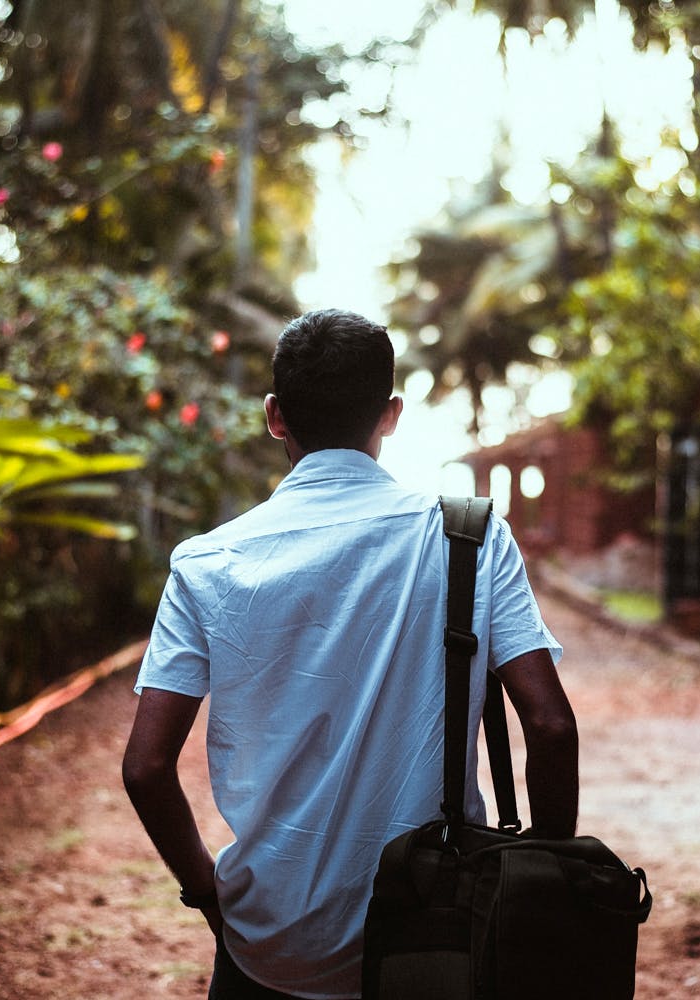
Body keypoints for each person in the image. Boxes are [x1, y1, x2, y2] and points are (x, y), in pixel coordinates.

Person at [122, 308, 579, 1000]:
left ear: (275, 416)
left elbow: (147, 767)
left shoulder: (206, 563)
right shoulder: (471, 538)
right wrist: (542, 884)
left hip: (268, 947)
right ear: (390, 414)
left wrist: (209, 895)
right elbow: (549, 725)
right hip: (435, 930)